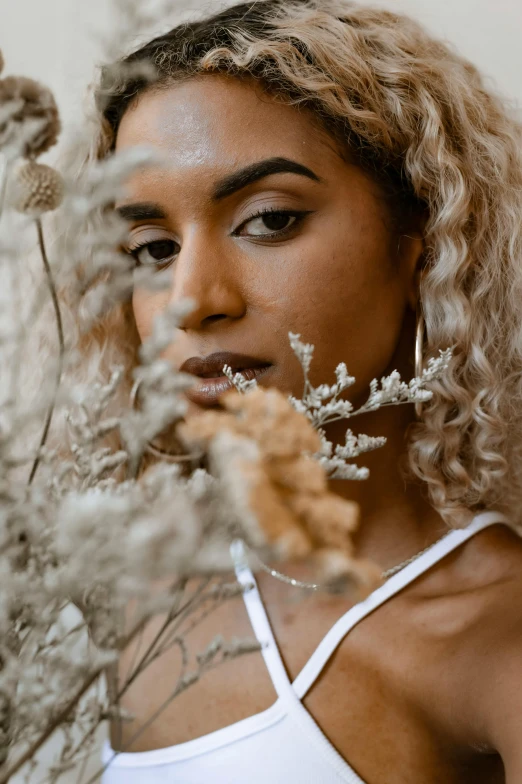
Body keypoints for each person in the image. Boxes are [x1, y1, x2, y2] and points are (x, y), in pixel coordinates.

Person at [80, 1, 522, 780]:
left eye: (270, 219)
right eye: (151, 247)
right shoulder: (115, 593)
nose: (193, 297)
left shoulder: (493, 639)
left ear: (422, 246)